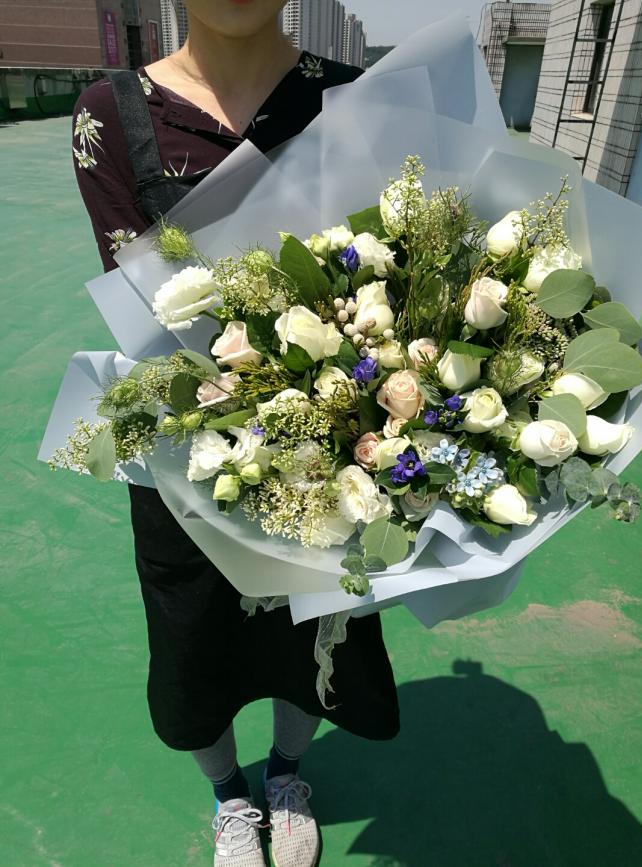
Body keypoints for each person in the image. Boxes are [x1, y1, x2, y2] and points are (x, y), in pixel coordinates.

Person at [71, 1, 400, 864]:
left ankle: (287, 774)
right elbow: (137, 294)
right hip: (187, 454)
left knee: (312, 623)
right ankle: (229, 794)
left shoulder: (356, 99)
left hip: (329, 452)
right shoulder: (112, 114)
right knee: (193, 639)